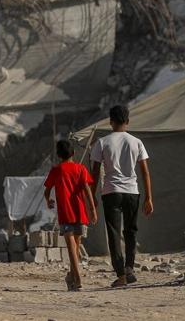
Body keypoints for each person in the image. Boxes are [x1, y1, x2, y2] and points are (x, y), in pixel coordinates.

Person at [89, 104, 153, 288]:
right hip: (132, 191)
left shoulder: (102, 142)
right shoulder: (136, 142)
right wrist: (149, 197)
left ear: (110, 121)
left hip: (111, 192)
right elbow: (145, 172)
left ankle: (120, 274)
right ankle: (130, 267)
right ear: (128, 121)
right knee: (131, 231)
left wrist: (92, 196)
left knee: (114, 233)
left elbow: (94, 173)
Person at [43, 138, 98, 291]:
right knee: (76, 246)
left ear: (58, 155)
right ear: (73, 152)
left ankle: (76, 278)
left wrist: (49, 201)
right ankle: (72, 276)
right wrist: (92, 209)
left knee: (72, 248)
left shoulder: (56, 170)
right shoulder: (80, 169)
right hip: (80, 213)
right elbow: (87, 190)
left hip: (66, 213)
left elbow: (46, 191)